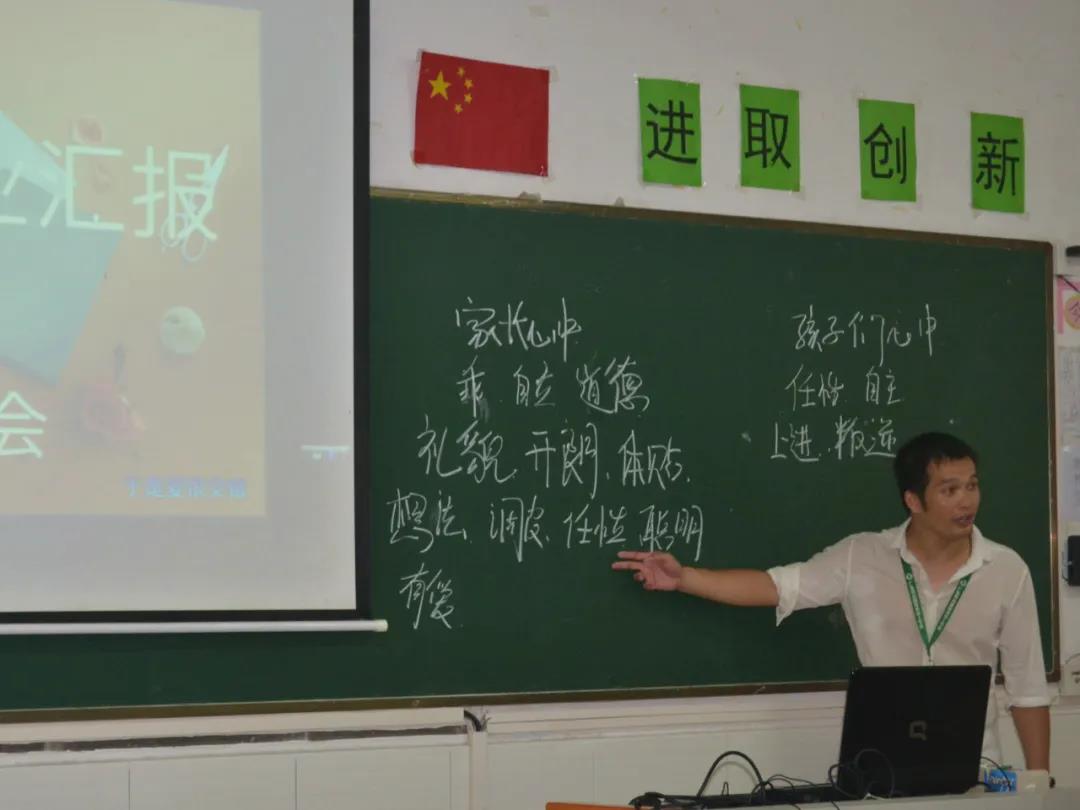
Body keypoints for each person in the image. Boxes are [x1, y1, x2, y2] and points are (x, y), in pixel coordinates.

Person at [612, 432, 1050, 771]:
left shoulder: (1006, 570)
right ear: (913, 500)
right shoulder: (862, 556)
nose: (967, 501)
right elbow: (775, 587)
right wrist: (684, 578)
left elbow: (1027, 688)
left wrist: (1038, 779)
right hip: (884, 770)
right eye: (950, 490)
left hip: (977, 769)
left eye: (972, 486)